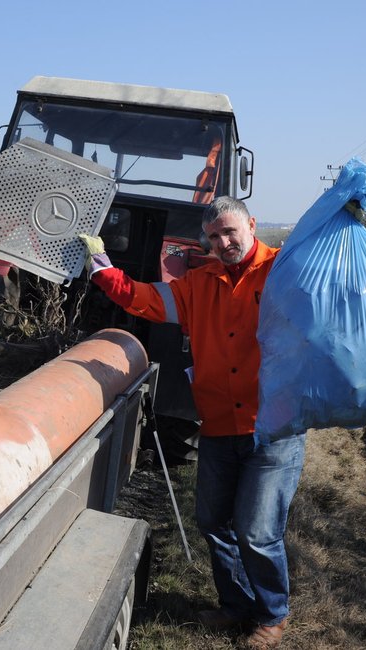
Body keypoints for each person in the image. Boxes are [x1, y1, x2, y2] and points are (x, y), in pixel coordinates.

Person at [79, 196, 305, 649]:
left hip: (274, 427)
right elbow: (143, 299)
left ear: (252, 225)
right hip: (219, 424)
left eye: (231, 232)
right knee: (213, 522)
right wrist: (103, 268)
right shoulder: (197, 284)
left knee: (259, 531)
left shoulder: (285, 270)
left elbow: (334, 278)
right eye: (215, 236)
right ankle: (236, 604)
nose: (224, 242)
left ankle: (272, 615)